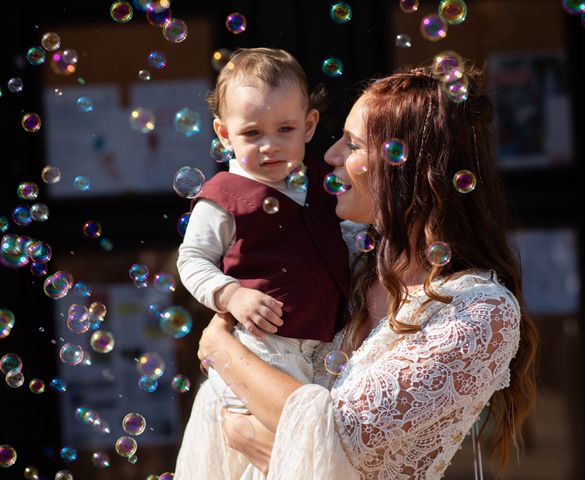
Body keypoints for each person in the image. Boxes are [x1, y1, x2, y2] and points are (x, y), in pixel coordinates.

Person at [175, 61, 538, 480]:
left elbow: (340, 437)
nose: (329, 155)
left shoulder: (478, 312)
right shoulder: (355, 265)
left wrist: (221, 348)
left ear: (407, 166)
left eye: (352, 144)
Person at [176, 47, 349, 436]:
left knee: (325, 434)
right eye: (252, 133)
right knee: (281, 440)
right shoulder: (223, 196)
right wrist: (230, 295)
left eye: (284, 130)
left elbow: (345, 240)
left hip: (326, 344)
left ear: (309, 125)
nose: (269, 145)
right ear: (224, 133)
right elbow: (192, 259)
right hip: (261, 348)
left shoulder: (325, 184)